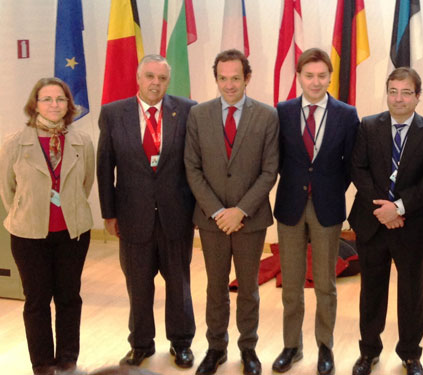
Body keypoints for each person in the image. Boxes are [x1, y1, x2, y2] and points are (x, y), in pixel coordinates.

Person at [96, 55, 197, 368]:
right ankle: (140, 344)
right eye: (150, 76)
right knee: (138, 285)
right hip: (132, 216)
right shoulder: (114, 113)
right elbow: (104, 166)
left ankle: (181, 343)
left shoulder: (188, 110)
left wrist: (197, 212)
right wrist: (109, 213)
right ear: (138, 79)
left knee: (179, 285)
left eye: (162, 78)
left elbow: (195, 165)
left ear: (168, 81)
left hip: (176, 215)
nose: (156, 83)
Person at [184, 49, 279, 375]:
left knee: (248, 288)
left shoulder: (266, 116)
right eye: (222, 78)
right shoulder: (198, 115)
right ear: (216, 79)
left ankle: (248, 348)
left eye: (235, 78)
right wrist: (216, 211)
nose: (229, 85)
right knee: (215, 287)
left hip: (250, 220)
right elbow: (192, 168)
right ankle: (216, 348)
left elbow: (269, 171)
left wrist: (240, 211)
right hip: (211, 221)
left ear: (247, 78)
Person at [348, 67, 423, 375]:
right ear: (387, 93)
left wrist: (398, 208)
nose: (398, 99)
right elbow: (358, 169)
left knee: (412, 294)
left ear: (418, 96)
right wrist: (383, 209)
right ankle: (368, 352)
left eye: (406, 93)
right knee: (371, 292)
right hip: (372, 222)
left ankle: (411, 355)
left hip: (411, 225)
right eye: (393, 91)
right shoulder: (368, 125)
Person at [272, 48, 359, 375]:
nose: (315, 81)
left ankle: (325, 347)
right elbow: (277, 158)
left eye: (322, 75)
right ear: (299, 76)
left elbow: (350, 164)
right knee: (291, 284)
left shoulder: (346, 114)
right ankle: (291, 347)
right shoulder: (283, 111)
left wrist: (328, 187)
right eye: (309, 75)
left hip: (327, 206)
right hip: (290, 205)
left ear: (330, 77)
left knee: (325, 284)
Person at [0, 78, 94, 375]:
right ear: (35, 104)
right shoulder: (14, 143)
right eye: (47, 99)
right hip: (29, 235)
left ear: (69, 104)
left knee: (69, 297)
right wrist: (27, 211)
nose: (54, 104)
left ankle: (67, 360)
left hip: (72, 233)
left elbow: (85, 183)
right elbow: (7, 191)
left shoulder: (82, 141)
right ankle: (41, 364)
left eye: (60, 99)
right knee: (36, 300)